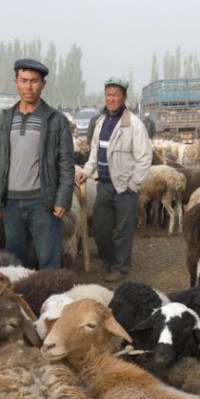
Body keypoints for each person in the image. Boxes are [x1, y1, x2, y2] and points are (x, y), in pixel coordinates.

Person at [0, 58, 74, 270]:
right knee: (15, 263)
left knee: (49, 260)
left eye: (34, 81)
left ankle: (51, 299)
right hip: (11, 203)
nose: (28, 86)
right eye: (24, 80)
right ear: (15, 82)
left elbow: (66, 163)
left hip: (43, 202)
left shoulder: (56, 120)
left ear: (44, 84)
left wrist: (62, 199)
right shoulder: (6, 119)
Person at [77, 76, 152, 282]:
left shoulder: (134, 124)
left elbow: (145, 156)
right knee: (101, 228)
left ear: (124, 97)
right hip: (104, 184)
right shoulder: (101, 121)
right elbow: (95, 151)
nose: (111, 99)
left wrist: (133, 183)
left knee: (124, 230)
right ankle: (109, 259)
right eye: (108, 95)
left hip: (125, 186)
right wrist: (87, 170)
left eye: (116, 95)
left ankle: (121, 266)